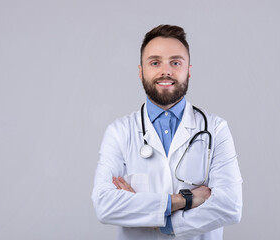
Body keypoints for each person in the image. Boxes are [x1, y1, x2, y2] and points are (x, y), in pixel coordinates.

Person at [92, 24, 243, 240]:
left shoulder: (216, 129)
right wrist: (184, 200)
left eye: (175, 62)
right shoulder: (119, 132)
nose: (166, 71)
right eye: (155, 62)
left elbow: (230, 206)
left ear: (188, 70)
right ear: (141, 71)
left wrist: (163, 223)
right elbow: (104, 205)